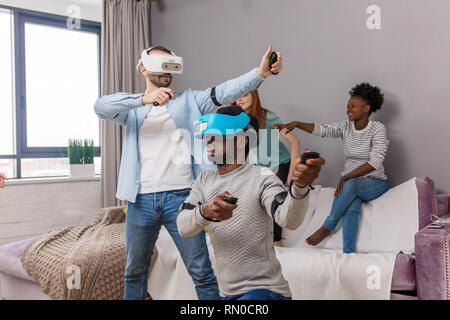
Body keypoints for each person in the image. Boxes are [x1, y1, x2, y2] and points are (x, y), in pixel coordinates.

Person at [94, 45, 282, 300]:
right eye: (160, 64)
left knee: (202, 272)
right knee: (134, 272)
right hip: (140, 200)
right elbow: (100, 106)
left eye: (170, 63)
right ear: (143, 68)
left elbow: (227, 90)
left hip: (181, 198)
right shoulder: (133, 110)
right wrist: (143, 99)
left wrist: (260, 73)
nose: (166, 70)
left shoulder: (191, 100)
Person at [177, 106, 325, 300]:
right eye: (207, 140)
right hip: (227, 294)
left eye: (215, 138)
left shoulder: (261, 176)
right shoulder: (204, 180)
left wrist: (300, 187)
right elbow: (182, 226)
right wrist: (205, 211)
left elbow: (288, 219)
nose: (208, 145)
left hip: (265, 291)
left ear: (240, 141)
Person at [274, 82, 389, 254]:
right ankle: (349, 253)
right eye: (347, 106)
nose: (348, 109)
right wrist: (297, 124)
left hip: (375, 182)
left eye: (353, 106)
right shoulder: (345, 127)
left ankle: (327, 227)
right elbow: (323, 130)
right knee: (352, 204)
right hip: (352, 184)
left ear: (366, 108)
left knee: (351, 185)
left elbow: (375, 162)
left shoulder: (377, 129)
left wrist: (346, 177)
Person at [233, 90, 300, 246]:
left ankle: (278, 244)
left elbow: (295, 142)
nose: (238, 100)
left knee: (273, 199)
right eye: (236, 97)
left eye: (243, 95)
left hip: (280, 165)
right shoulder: (239, 121)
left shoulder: (268, 118)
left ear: (254, 96)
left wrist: (292, 172)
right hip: (260, 168)